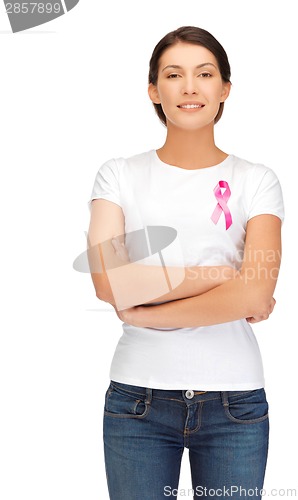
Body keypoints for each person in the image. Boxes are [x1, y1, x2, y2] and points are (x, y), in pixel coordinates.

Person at [87, 25, 285, 500]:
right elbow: (109, 282)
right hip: (138, 401)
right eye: (174, 75)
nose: (190, 87)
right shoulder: (118, 175)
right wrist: (221, 278)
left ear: (225, 89)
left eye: (205, 73)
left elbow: (255, 292)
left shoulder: (256, 181)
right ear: (154, 90)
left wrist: (146, 311)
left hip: (234, 402)